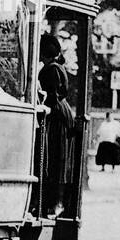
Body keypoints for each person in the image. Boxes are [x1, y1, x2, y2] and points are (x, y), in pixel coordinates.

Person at [37, 33, 74, 214]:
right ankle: (52, 203)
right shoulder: (57, 67)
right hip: (61, 113)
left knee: (52, 158)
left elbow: (51, 96)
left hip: (56, 115)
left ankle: (51, 203)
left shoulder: (51, 69)